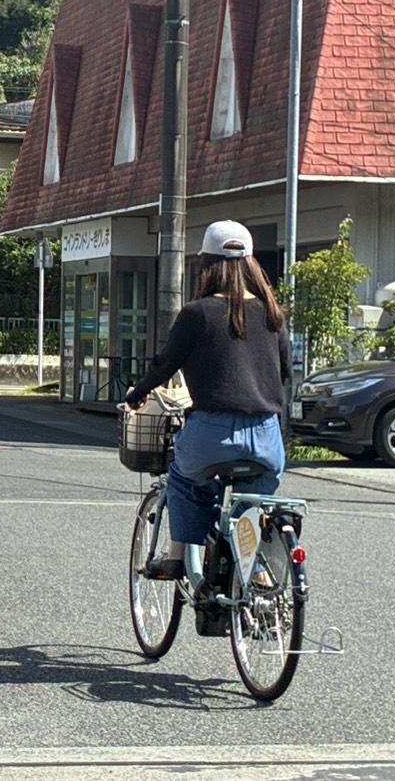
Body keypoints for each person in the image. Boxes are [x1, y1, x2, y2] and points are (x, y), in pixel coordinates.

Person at [125, 221, 290, 581]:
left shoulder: (196, 313)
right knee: (252, 505)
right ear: (251, 264)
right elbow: (284, 374)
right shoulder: (273, 314)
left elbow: (165, 364)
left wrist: (136, 394)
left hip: (212, 432)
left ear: (207, 264)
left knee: (184, 480)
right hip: (266, 435)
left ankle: (175, 556)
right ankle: (257, 570)